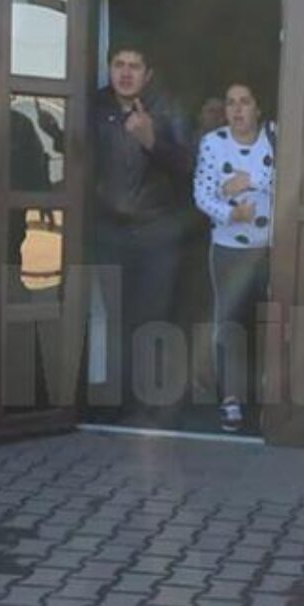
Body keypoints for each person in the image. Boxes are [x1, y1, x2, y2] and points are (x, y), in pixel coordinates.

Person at [87, 39, 193, 419]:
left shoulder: (167, 108)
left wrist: (151, 140)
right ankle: (118, 403)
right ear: (109, 68)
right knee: (116, 317)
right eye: (119, 64)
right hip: (109, 231)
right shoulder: (93, 107)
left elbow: (189, 166)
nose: (126, 73)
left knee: (152, 317)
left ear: (148, 74)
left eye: (134, 66)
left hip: (156, 231)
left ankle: (151, 402)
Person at [192, 82, 274, 433]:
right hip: (229, 249)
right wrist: (230, 213)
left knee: (271, 323)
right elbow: (202, 194)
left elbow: (294, 177)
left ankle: (272, 398)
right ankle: (231, 400)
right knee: (230, 323)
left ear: (258, 108)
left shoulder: (276, 137)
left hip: (272, 248)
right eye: (230, 103)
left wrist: (248, 181)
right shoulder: (213, 143)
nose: (237, 109)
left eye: (245, 102)